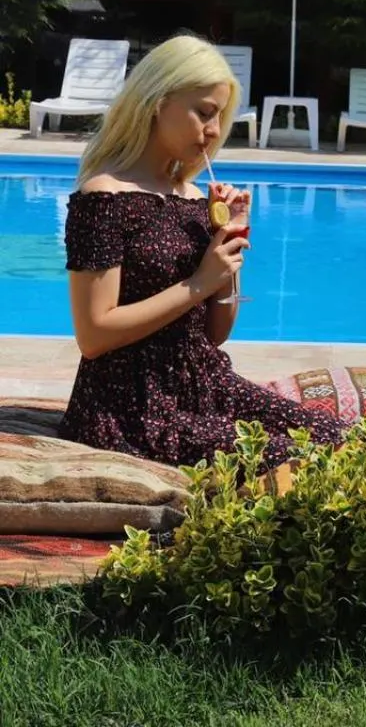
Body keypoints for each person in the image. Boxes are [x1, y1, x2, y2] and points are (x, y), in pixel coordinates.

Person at [58, 34, 345, 468]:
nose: (213, 131)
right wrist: (197, 283)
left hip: (205, 385)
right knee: (296, 460)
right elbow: (94, 335)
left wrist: (227, 246)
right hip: (132, 406)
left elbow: (214, 333)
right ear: (158, 101)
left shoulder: (195, 198)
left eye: (220, 117)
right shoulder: (103, 198)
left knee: (336, 438)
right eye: (204, 113)